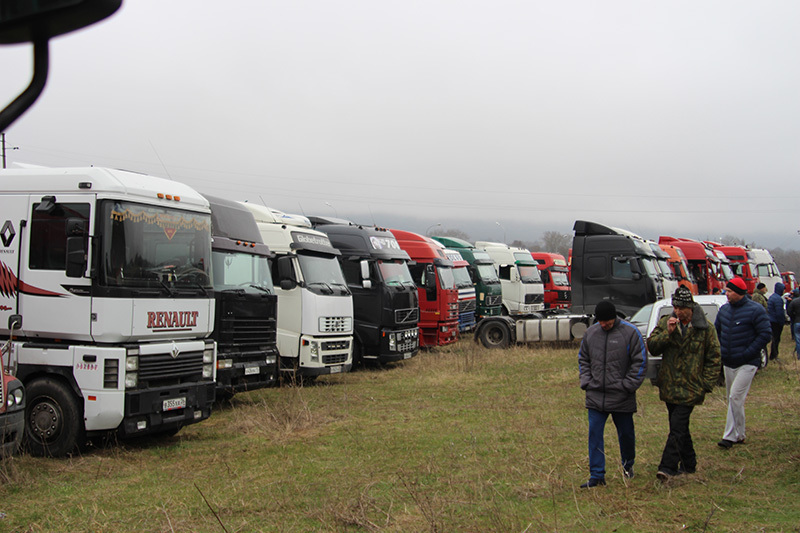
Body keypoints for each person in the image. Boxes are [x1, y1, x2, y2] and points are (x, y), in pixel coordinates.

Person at [647, 287, 721, 480]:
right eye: (675, 307)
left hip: (691, 388)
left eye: (682, 307)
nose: (678, 311)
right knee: (679, 428)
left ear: (691, 307)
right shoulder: (665, 323)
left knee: (677, 426)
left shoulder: (706, 329)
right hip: (670, 386)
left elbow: (714, 357)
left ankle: (667, 467)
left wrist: (706, 384)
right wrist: (668, 334)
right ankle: (689, 464)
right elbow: (653, 347)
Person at [578, 300, 647, 487]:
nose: (603, 325)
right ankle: (597, 476)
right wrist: (586, 381)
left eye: (607, 322)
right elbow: (583, 359)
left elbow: (639, 361)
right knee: (594, 434)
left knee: (626, 434)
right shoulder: (591, 334)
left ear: (614, 318)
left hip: (621, 396)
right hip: (595, 396)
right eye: (600, 322)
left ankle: (628, 465)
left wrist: (627, 386)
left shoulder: (630, 333)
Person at [715, 277, 771, 449]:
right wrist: (721, 351)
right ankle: (739, 434)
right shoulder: (724, 310)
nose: (726, 293)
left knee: (735, 396)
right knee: (733, 399)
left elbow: (765, 334)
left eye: (730, 291)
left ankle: (730, 436)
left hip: (748, 362)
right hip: (728, 361)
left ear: (739, 293)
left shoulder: (756, 310)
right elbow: (717, 331)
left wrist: (749, 352)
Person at [767, 282, 786, 360]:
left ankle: (773, 354)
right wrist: (782, 322)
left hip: (771, 320)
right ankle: (774, 355)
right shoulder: (778, 299)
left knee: (774, 338)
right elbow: (779, 312)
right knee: (776, 339)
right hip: (776, 322)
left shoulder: (772, 297)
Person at [786, 289, 800, 358]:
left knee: (798, 340)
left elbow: (789, 311)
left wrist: (793, 317)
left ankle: (799, 355)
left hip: (797, 321)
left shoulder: (794, 301)